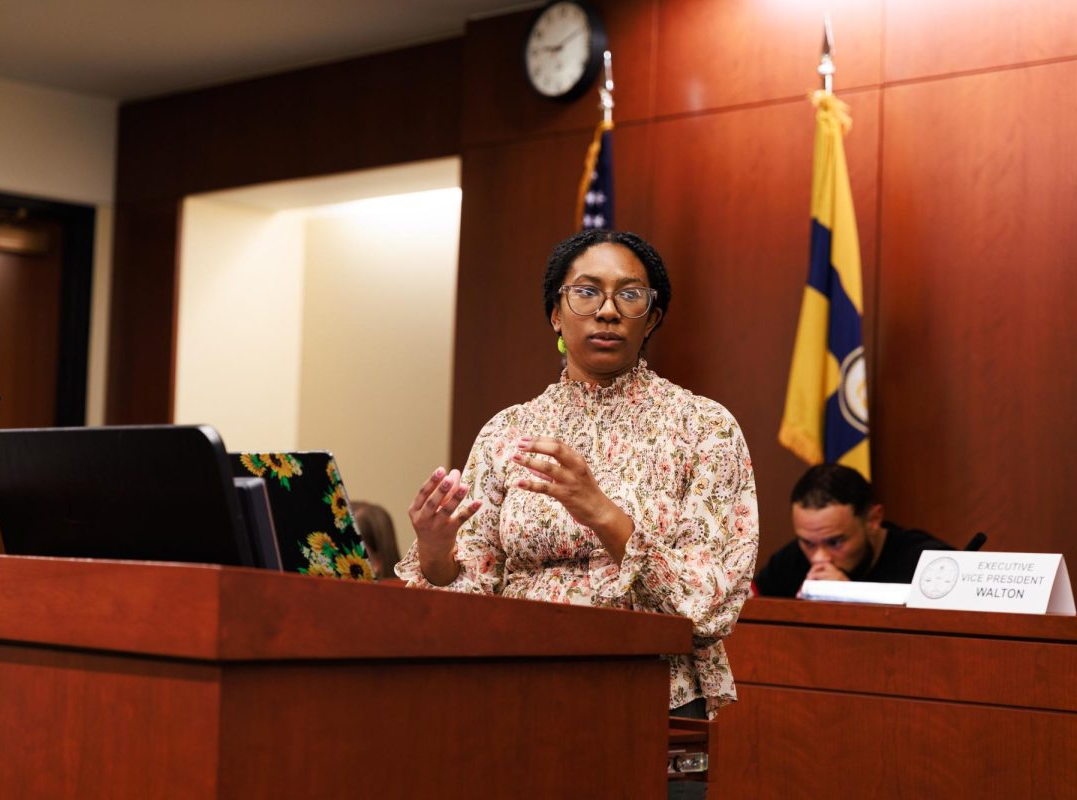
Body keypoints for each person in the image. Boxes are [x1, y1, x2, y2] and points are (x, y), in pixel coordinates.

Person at [395, 229, 759, 724]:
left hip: (651, 696)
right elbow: (471, 593)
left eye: (629, 295)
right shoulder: (509, 430)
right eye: (586, 292)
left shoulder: (704, 427)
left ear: (651, 319)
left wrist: (603, 513)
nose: (607, 311)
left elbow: (711, 603)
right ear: (555, 314)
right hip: (515, 693)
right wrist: (437, 553)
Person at [753, 463, 953, 598]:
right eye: (808, 543)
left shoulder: (929, 564)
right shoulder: (790, 561)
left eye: (835, 542)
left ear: (873, 520)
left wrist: (850, 597)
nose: (819, 558)